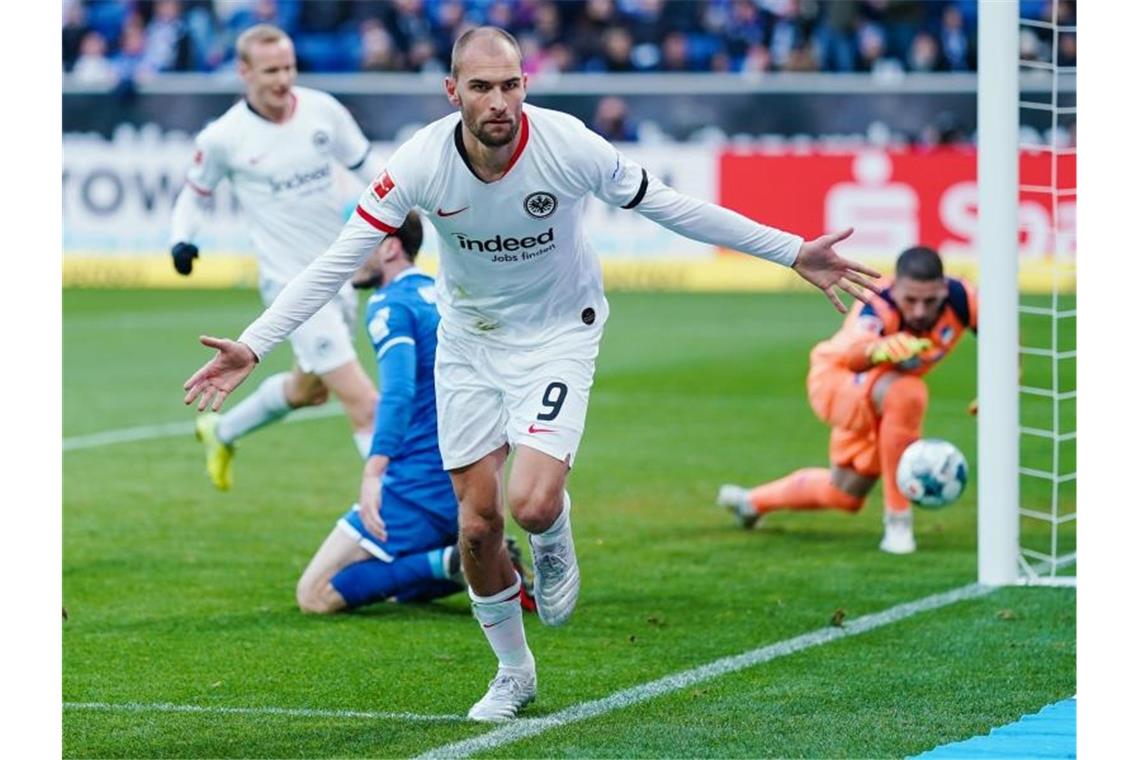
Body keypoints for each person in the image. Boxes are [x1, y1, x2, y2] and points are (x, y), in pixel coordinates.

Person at [182, 26, 879, 721]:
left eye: (510, 85)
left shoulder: (569, 144)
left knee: (534, 504)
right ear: (452, 91)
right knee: (479, 528)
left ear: (527, 86)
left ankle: (552, 537)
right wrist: (255, 343)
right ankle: (514, 674)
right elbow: (340, 258)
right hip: (469, 345)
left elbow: (673, 206)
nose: (498, 102)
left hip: (556, 335)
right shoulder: (421, 161)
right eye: (481, 87)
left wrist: (791, 251)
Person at [169, 23, 383, 491]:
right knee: (366, 404)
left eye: (288, 67)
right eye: (270, 71)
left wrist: (394, 231)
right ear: (244, 71)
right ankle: (404, 518)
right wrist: (183, 239)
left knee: (309, 391)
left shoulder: (323, 111)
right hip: (290, 285)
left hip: (339, 276)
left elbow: (371, 172)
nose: (283, 80)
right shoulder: (224, 137)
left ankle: (221, 432)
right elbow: (195, 194)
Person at [294, 211, 535, 614]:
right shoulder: (445, 294)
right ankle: (468, 552)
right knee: (394, 589)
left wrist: (375, 470)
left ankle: (453, 559)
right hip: (467, 484)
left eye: (361, 245)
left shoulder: (390, 304)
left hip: (414, 489)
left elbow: (399, 391)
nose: (352, 255)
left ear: (390, 247)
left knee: (315, 595)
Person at [717, 246, 978, 554]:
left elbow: (1004, 335)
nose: (920, 311)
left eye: (930, 301)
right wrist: (877, 350)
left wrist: (1003, 387)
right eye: (911, 300)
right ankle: (898, 521)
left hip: (880, 394)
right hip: (837, 379)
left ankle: (751, 503)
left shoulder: (963, 299)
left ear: (943, 289)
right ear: (896, 287)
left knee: (845, 493)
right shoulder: (877, 302)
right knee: (908, 392)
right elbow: (853, 358)